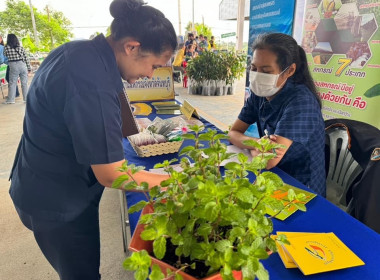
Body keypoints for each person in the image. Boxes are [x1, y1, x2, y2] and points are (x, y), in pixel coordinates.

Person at [8, 0, 177, 279]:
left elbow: (114, 112)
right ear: (132, 47)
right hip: (55, 202)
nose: (150, 74)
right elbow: (112, 174)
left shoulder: (82, 51)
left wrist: (131, 123)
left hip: (37, 179)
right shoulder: (91, 82)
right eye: (154, 65)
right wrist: (172, 182)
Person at [228, 33, 326, 197]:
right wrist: (259, 144)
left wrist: (256, 148)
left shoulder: (301, 102)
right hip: (272, 176)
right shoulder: (259, 93)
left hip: (299, 187)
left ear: (290, 71)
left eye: (266, 71)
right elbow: (232, 133)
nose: (258, 76)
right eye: (253, 68)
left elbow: (267, 161)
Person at [3, 34, 30, 104]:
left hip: (13, 65)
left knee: (12, 83)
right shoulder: (21, 48)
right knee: (24, 83)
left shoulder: (6, 48)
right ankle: (26, 99)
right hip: (22, 64)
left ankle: (11, 100)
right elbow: (26, 58)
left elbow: (4, 54)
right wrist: (29, 68)